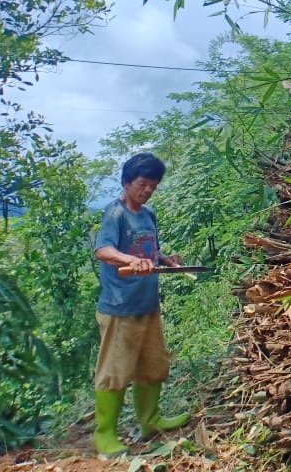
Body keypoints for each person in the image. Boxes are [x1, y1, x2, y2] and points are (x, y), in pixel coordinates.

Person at [91, 152, 189, 457]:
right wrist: (128, 259)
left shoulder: (148, 215)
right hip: (119, 307)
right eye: (142, 184)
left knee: (153, 365)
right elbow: (103, 250)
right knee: (115, 371)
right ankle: (104, 435)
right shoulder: (115, 213)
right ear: (126, 182)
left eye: (153, 185)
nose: (147, 190)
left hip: (147, 304)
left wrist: (165, 260)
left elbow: (150, 250)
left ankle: (150, 421)